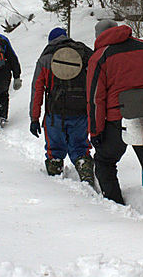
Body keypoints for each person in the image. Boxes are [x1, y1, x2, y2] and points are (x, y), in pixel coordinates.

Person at [87, 19, 143, 222]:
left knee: (104, 161)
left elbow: (95, 98)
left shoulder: (100, 56)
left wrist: (95, 131)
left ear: (99, 35)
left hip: (118, 120)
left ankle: (114, 206)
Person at [29, 27, 95, 185]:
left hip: (55, 114)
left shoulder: (46, 59)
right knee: (81, 147)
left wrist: (34, 118)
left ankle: (55, 184)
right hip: (81, 112)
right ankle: (86, 175)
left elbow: (37, 90)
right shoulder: (84, 54)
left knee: (55, 150)